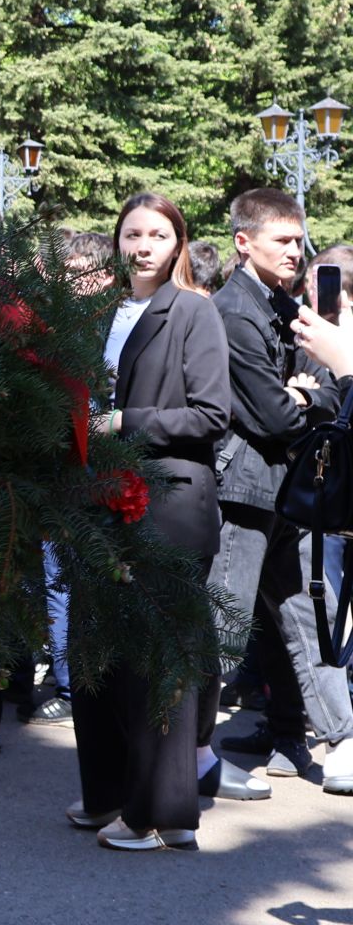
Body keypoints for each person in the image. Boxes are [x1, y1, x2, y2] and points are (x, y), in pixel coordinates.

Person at [69, 193, 234, 850]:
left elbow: (211, 415)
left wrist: (123, 423)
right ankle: (108, 793)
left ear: (179, 243)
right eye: (131, 233)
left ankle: (158, 812)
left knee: (158, 659)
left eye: (157, 234)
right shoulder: (97, 314)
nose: (141, 245)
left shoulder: (193, 311)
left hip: (167, 502)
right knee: (96, 651)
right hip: (98, 499)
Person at [209, 189, 353, 795]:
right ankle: (185, 754)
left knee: (307, 615)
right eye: (284, 240)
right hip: (245, 494)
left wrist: (309, 392)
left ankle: (337, 740)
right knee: (224, 625)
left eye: (300, 240)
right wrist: (305, 397)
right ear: (245, 242)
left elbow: (322, 389)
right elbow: (274, 416)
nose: (298, 251)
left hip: (286, 492)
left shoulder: (278, 303)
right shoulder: (232, 310)